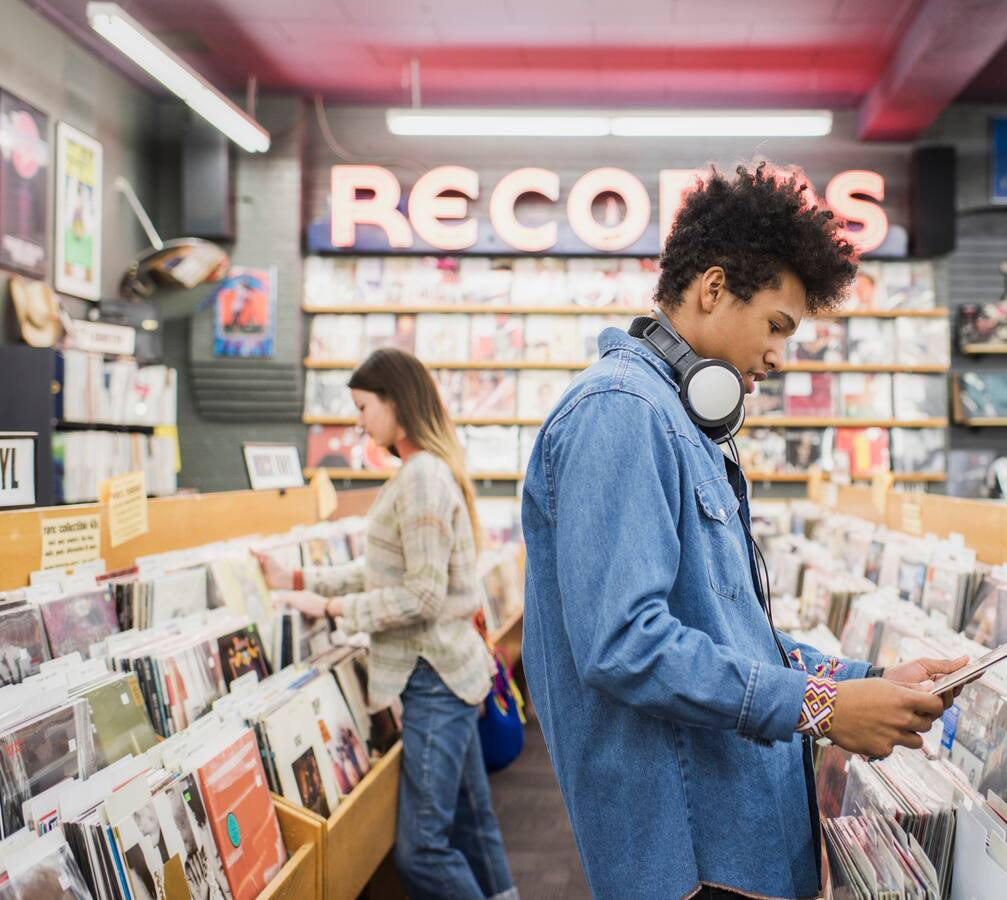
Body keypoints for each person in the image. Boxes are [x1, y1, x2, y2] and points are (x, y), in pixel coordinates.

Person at [520, 162, 969, 899]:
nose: (778, 357)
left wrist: (865, 683)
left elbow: (728, 630)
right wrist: (824, 709)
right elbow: (625, 645)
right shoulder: (621, 413)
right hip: (689, 852)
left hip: (737, 832)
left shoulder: (679, 420)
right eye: (776, 326)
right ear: (713, 288)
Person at [258, 348, 518, 900]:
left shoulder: (422, 478)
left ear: (395, 402)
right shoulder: (420, 472)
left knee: (421, 850)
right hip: (449, 672)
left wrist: (334, 611)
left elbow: (421, 595)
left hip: (435, 679)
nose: (359, 422)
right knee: (473, 825)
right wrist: (300, 579)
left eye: (363, 407)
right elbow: (383, 571)